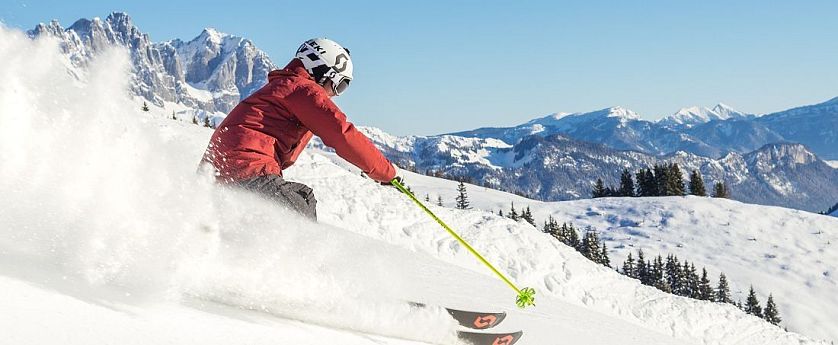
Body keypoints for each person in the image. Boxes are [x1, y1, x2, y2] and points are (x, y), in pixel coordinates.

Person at [201, 38, 400, 221]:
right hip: (247, 169)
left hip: (220, 174)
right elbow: (342, 134)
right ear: (323, 72)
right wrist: (386, 173)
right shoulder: (302, 90)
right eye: (339, 85)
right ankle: (299, 259)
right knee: (300, 201)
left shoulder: (282, 87)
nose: (336, 94)